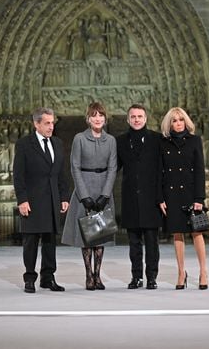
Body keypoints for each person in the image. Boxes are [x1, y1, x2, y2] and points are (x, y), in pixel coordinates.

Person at [12, 107, 70, 293]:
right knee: (31, 242)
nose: (51, 126)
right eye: (47, 123)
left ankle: (48, 278)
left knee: (49, 241)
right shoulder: (24, 144)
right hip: (32, 201)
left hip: (52, 199)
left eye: (52, 123)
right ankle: (30, 278)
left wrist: (64, 197)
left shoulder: (58, 143)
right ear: (36, 124)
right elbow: (18, 175)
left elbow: (61, 173)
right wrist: (22, 199)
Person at [62, 102, 117, 290]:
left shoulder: (110, 140)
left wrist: (105, 194)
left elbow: (113, 168)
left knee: (99, 235)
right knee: (86, 236)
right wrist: (84, 195)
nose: (98, 118)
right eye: (94, 115)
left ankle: (98, 275)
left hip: (103, 188)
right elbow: (74, 167)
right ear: (88, 118)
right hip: (83, 188)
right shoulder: (79, 138)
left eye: (101, 115)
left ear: (105, 118)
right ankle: (88, 276)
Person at [158, 107, 208, 290]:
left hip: (190, 193)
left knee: (197, 232)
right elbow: (159, 172)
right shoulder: (163, 143)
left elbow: (200, 171)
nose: (178, 123)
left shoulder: (194, 141)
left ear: (185, 121)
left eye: (180, 120)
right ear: (169, 123)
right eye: (174, 120)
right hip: (171, 194)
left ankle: (203, 271)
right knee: (177, 233)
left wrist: (199, 198)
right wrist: (160, 197)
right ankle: (181, 272)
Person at [116, 104, 163, 290]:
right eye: (133, 116)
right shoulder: (120, 141)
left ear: (146, 119)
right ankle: (136, 277)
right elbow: (114, 168)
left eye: (140, 116)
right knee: (134, 244)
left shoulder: (157, 139)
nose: (136, 119)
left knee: (152, 243)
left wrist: (161, 198)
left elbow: (162, 171)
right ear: (128, 119)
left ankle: (151, 277)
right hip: (130, 200)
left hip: (151, 200)